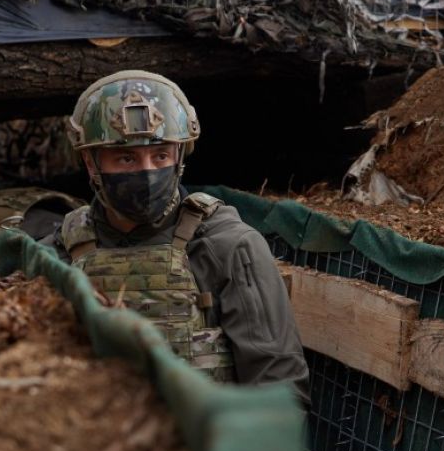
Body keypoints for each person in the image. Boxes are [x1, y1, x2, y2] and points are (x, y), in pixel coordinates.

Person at [42, 70, 308, 390]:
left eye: (160, 155)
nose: (147, 172)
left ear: (179, 157)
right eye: (126, 158)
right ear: (90, 162)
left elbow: (278, 387)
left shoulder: (228, 245)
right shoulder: (56, 255)